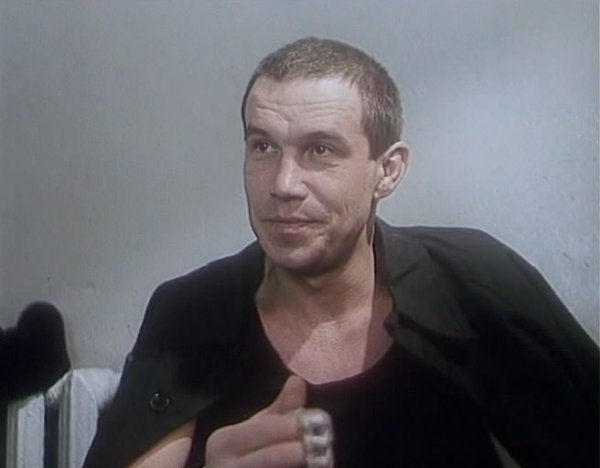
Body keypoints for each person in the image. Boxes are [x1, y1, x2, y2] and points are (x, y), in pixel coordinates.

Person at [84, 37, 599, 468]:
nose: (283, 184)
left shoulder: (472, 282)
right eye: (263, 147)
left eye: (320, 150)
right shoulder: (194, 309)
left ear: (388, 171)